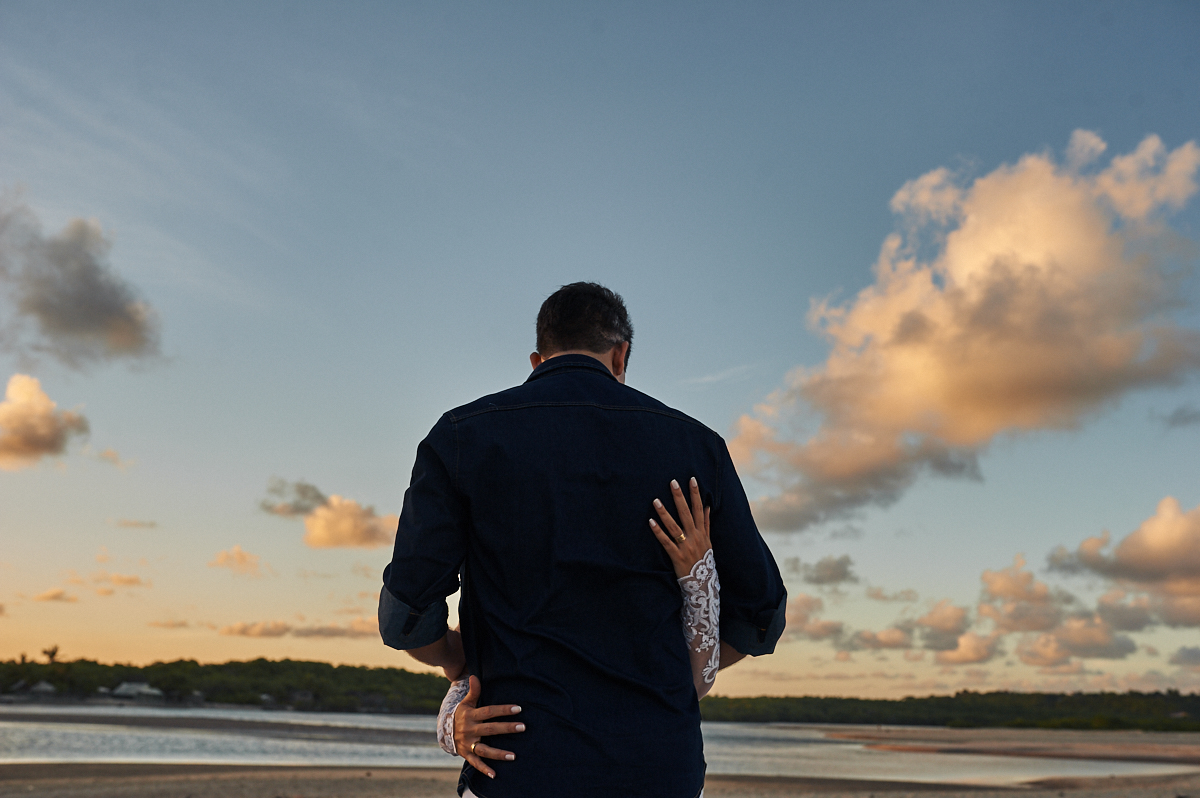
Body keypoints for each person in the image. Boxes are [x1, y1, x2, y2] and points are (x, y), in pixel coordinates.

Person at [379, 282, 786, 798]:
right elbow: (761, 616)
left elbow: (406, 616)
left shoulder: (461, 437)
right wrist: (673, 676)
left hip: (521, 765)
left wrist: (458, 659)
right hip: (658, 768)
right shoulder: (697, 448)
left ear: (536, 359)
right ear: (621, 355)